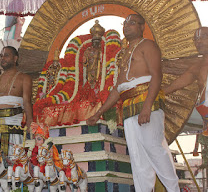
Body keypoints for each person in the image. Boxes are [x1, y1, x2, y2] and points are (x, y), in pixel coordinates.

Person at [87, 14, 180, 192]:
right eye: (125, 23)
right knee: (137, 156)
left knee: (154, 148)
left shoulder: (148, 45)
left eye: (132, 23)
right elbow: (118, 89)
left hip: (147, 102)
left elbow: (157, 75)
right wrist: (98, 113)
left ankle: (173, 189)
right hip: (128, 106)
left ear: (142, 26)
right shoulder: (125, 53)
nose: (127, 26)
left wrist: (146, 106)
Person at [0, 46, 33, 160]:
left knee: (14, 164)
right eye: (1, 55)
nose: (2, 58)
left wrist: (30, 128)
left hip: (14, 130)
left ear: (15, 58)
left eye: (6, 55)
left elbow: (27, 103)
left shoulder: (24, 78)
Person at [164, 27, 208, 136]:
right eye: (195, 39)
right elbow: (175, 85)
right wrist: (152, 94)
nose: (198, 42)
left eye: (202, 37)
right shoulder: (197, 67)